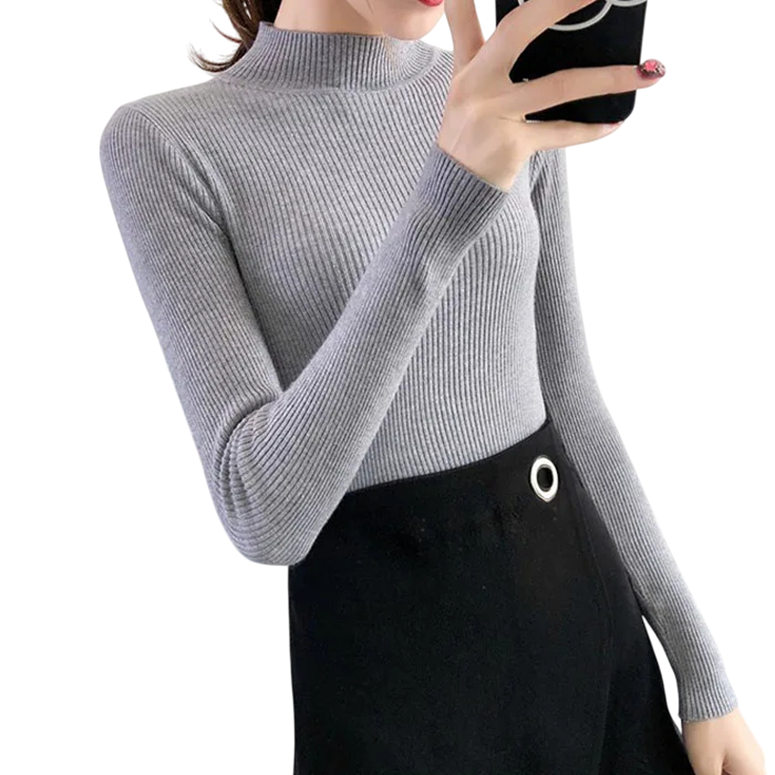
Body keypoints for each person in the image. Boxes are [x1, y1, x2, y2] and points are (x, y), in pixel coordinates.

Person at [99, 0, 765, 772]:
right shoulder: (166, 142)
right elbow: (264, 514)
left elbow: (569, 391)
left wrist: (702, 672)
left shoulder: (492, 92)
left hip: (592, 648)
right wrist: (446, 202)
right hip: (395, 690)